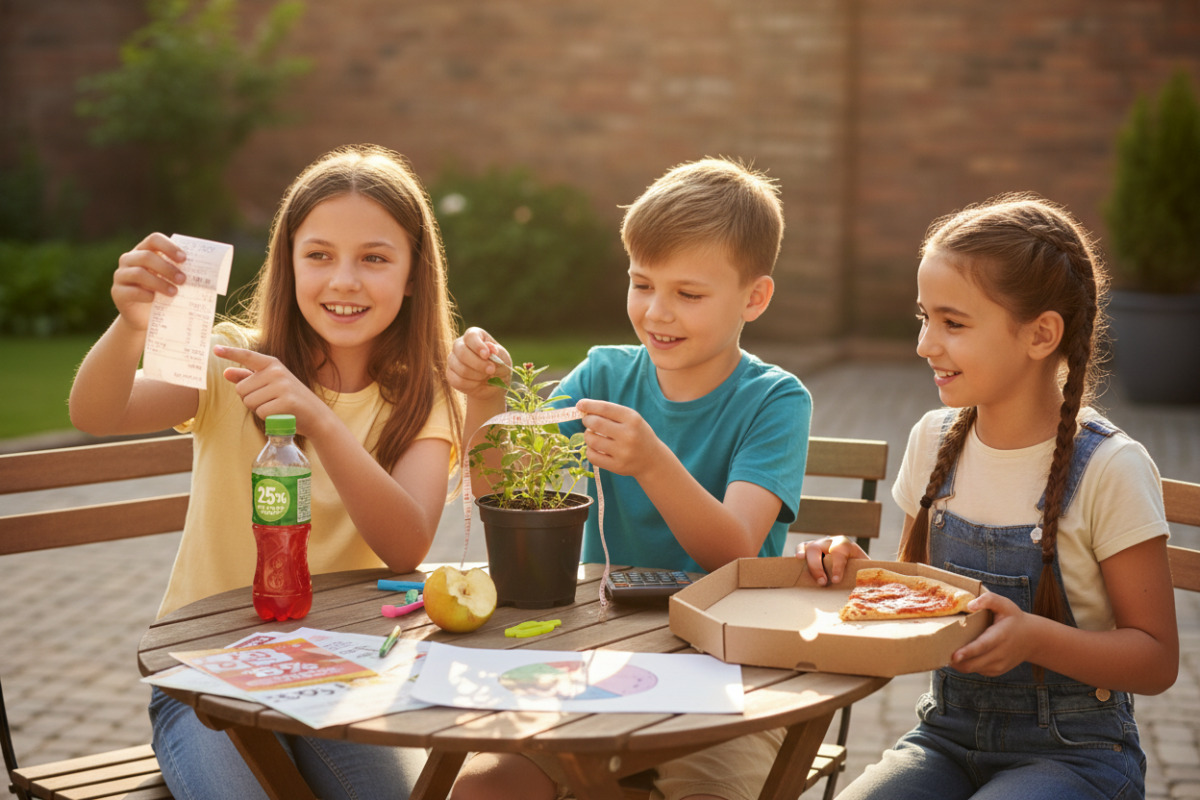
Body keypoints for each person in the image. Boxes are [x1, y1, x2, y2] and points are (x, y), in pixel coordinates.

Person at [68, 144, 463, 800]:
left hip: (337, 680)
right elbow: (98, 410)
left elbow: (406, 544)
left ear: (414, 273)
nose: (344, 281)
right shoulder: (232, 365)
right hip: (203, 682)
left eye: (374, 258)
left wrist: (320, 421)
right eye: (319, 255)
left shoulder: (423, 397)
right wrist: (129, 326)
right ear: (289, 263)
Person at [447, 157, 812, 800]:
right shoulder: (605, 374)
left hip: (725, 675)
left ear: (754, 297)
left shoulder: (775, 402)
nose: (657, 313)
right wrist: (485, 399)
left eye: (688, 294)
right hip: (597, 659)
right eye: (642, 284)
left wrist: (652, 462)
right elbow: (502, 490)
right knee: (483, 787)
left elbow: (733, 551)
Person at [797, 193, 1178, 799]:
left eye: (953, 322)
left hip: (1078, 755)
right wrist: (860, 573)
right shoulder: (933, 438)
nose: (924, 343)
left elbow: (1156, 660)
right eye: (923, 317)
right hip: (944, 736)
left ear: (1041, 334)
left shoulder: (1112, 468)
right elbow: (919, 585)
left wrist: (1034, 639)